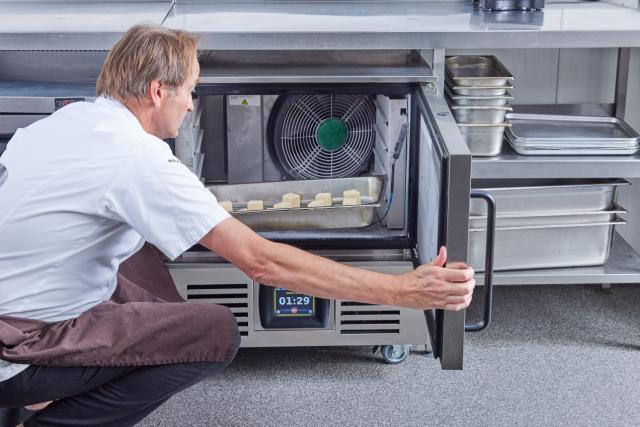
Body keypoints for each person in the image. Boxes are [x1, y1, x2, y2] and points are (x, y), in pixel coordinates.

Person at [0, 24, 475, 427]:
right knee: (214, 331)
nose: (191, 105)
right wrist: (401, 292)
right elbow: (261, 262)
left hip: (13, 305)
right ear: (157, 90)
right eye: (189, 90)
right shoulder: (135, 159)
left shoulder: (66, 122)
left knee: (140, 254)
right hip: (19, 344)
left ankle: (45, 387)